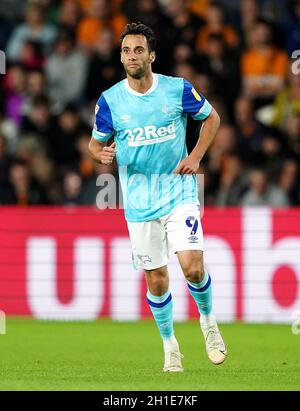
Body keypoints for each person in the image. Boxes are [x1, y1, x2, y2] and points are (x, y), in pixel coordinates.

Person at [89, 22, 226, 372]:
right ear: (121, 58)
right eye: (125, 50)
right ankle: (170, 346)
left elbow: (212, 118)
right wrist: (99, 154)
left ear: (151, 55)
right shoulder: (110, 100)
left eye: (137, 50)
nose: (131, 56)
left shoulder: (177, 89)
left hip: (179, 192)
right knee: (157, 279)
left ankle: (208, 322)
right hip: (138, 201)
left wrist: (195, 157)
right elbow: (95, 142)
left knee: (193, 267)